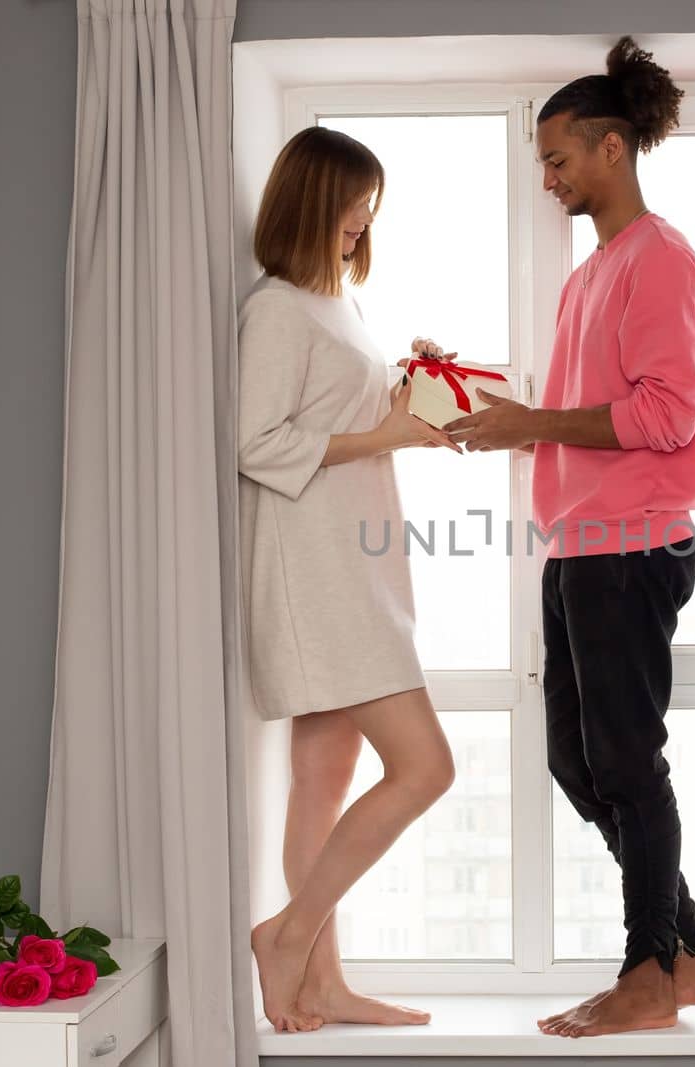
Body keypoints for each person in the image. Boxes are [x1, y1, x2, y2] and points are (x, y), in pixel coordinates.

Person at [444, 36, 695, 1037]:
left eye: (559, 156)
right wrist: (494, 404)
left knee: (626, 760)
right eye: (542, 162)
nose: (549, 176)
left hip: (630, 544)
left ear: (612, 148)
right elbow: (580, 406)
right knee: (581, 762)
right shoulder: (593, 274)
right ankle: (685, 952)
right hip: (579, 542)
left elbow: (666, 414)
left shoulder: (658, 260)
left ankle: (648, 970)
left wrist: (533, 424)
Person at [239, 126, 461, 1033]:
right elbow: (255, 443)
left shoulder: (338, 305)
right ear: (312, 200)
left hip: (356, 558)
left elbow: (342, 420)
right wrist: (387, 433)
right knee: (426, 767)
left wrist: (411, 391)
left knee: (324, 778)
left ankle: (322, 980)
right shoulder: (278, 308)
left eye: (370, 205)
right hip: (317, 572)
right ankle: (288, 936)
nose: (365, 219)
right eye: (352, 202)